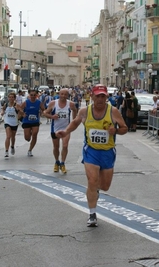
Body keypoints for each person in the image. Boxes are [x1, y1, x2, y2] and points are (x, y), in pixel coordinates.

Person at [55, 84, 128, 227]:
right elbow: (75, 123)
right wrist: (65, 132)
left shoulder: (113, 111)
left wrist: (116, 131)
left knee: (105, 186)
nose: (100, 99)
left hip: (108, 152)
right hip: (91, 151)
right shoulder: (85, 111)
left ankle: (95, 191)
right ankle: (92, 214)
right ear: (92, 96)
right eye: (98, 96)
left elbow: (125, 128)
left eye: (103, 96)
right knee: (92, 180)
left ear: (106, 97)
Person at [43, 88, 77, 173]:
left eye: (65, 94)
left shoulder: (70, 104)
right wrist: (52, 117)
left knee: (65, 146)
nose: (63, 96)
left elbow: (75, 110)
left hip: (66, 129)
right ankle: (56, 161)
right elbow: (45, 113)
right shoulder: (53, 103)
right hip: (55, 128)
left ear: (67, 95)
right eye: (61, 94)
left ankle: (62, 163)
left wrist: (73, 120)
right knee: (56, 147)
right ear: (59, 94)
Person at [20, 89, 45, 157]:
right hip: (27, 121)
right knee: (27, 138)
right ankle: (29, 133)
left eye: (34, 95)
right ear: (29, 95)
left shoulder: (39, 102)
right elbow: (19, 109)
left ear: (36, 95)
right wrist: (22, 114)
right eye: (31, 95)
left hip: (35, 121)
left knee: (35, 134)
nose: (33, 96)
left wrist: (43, 113)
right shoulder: (26, 102)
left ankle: (30, 150)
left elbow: (44, 109)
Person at [0, 92, 23, 158]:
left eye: (12, 97)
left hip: (14, 123)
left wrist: (18, 110)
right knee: (8, 136)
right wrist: (2, 112)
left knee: (13, 137)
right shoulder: (6, 104)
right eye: (10, 97)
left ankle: (12, 146)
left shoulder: (17, 105)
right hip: (7, 122)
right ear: (8, 98)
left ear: (14, 98)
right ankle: (6, 151)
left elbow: (21, 112)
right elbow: (3, 109)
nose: (11, 98)